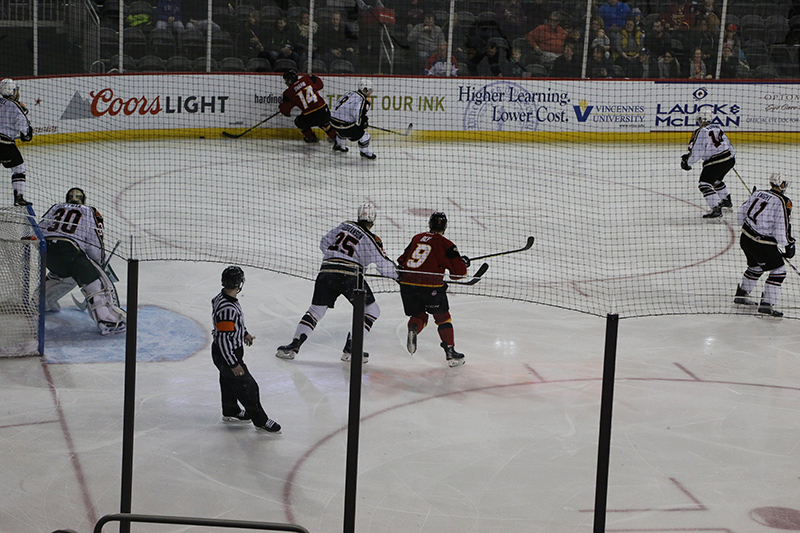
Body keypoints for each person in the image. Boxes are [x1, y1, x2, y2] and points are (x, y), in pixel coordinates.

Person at [275, 202, 399, 362]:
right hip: (350, 275)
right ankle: (351, 348)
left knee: (316, 311)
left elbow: (324, 243)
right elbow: (384, 266)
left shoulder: (344, 225)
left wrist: (336, 256)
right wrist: (399, 277)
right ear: (373, 221)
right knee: (372, 310)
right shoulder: (372, 239)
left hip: (326, 271)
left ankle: (293, 345)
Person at [38, 188, 126, 335]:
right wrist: (99, 264)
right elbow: (93, 241)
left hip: (47, 252)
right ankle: (108, 322)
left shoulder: (56, 207)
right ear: (84, 200)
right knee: (94, 283)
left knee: (64, 276)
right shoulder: (89, 211)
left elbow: (39, 229)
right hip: (69, 251)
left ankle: (39, 302)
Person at [211, 266, 281, 433]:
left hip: (224, 352)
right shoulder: (227, 308)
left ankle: (231, 411)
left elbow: (230, 327)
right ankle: (261, 421)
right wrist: (233, 363)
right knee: (248, 387)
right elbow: (223, 339)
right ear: (239, 283)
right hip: (227, 354)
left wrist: (244, 333)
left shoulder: (221, 298)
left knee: (228, 382)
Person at [397, 212, 468, 367]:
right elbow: (459, 274)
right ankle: (450, 352)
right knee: (443, 318)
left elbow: (402, 261)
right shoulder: (445, 244)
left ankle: (414, 328)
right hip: (431, 288)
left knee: (419, 315)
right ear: (445, 226)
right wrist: (463, 263)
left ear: (430, 224)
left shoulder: (417, 238)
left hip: (407, 286)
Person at [734, 175, 795, 317]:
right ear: (782, 184)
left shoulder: (757, 193)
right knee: (779, 272)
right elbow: (782, 226)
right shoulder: (783, 202)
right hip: (761, 244)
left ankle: (741, 295)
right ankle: (767, 305)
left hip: (746, 238)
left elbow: (740, 216)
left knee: (755, 266)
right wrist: (788, 244)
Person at [681, 111, 735, 218]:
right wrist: (730, 156)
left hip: (715, 161)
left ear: (701, 119)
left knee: (704, 183)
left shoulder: (701, 131)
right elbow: (728, 144)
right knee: (716, 180)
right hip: (729, 159)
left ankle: (716, 209)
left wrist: (688, 162)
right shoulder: (718, 128)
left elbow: (697, 150)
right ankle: (726, 201)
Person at [279, 69, 338, 144]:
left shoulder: (288, 93)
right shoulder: (307, 78)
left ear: (289, 80)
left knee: (299, 121)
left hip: (310, 116)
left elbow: (285, 111)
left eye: (286, 80)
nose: (286, 83)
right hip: (324, 110)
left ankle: (311, 138)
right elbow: (320, 85)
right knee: (324, 122)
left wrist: (282, 108)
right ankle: (334, 137)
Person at [0, 78, 33, 206]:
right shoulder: (15, 105)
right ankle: (19, 197)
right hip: (5, 143)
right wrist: (27, 134)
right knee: (19, 168)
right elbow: (23, 126)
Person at [330, 79, 377, 159]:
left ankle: (338, 145)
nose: (370, 92)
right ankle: (364, 152)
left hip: (333, 122)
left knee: (342, 133)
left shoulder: (349, 93)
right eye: (369, 90)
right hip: (345, 126)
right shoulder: (363, 100)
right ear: (364, 89)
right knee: (365, 136)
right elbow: (358, 116)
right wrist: (363, 124)